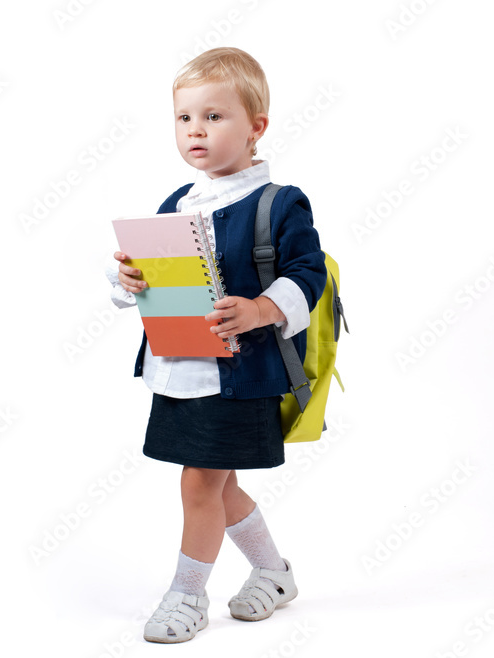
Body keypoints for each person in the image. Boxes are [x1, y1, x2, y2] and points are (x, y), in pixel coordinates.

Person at [105, 47, 327, 643]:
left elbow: (310, 274)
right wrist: (129, 280)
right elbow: (153, 280)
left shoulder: (279, 202)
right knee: (220, 485)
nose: (195, 130)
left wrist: (260, 308)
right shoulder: (178, 201)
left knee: (199, 483)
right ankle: (274, 573)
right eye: (184, 118)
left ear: (256, 126)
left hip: (237, 375)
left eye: (214, 116)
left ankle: (187, 595)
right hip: (179, 371)